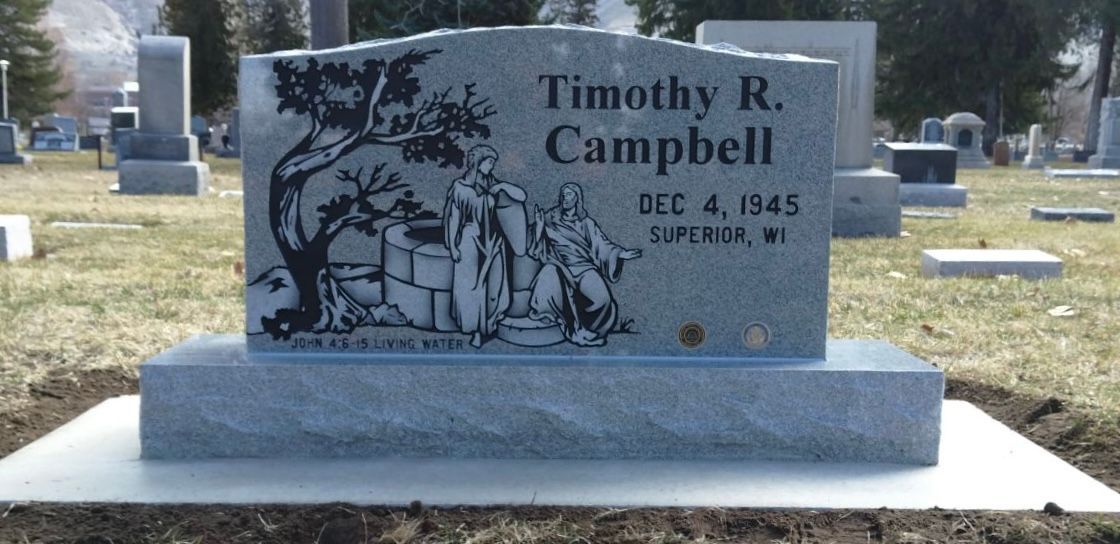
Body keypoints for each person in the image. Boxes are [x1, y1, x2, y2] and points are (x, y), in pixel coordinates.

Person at [528, 183, 641, 347]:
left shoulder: (587, 223)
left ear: (577, 199)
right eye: (563, 194)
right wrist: (538, 230)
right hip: (560, 266)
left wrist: (619, 253)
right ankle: (573, 328)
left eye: (569, 195)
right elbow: (532, 249)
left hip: (584, 268)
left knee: (603, 299)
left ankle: (592, 330)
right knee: (549, 277)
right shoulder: (548, 219)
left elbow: (601, 244)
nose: (564, 198)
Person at [442, 145, 526, 348]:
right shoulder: (460, 189)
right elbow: (454, 219)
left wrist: (503, 186)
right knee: (473, 288)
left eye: (493, 162)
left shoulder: (492, 185)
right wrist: (453, 246)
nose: (492, 166)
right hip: (470, 241)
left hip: (493, 242)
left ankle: (489, 324)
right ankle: (476, 331)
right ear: (478, 163)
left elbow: (521, 197)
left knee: (495, 285)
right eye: (489, 162)